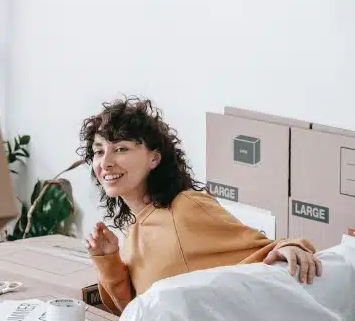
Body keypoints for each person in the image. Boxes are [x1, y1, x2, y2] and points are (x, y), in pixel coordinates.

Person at [78, 96, 322, 316]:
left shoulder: (185, 208)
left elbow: (261, 249)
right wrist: (109, 259)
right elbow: (137, 311)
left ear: (154, 158)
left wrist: (292, 245)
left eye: (121, 149)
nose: (106, 162)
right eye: (99, 151)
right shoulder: (134, 230)